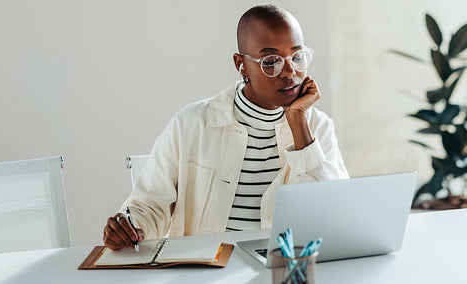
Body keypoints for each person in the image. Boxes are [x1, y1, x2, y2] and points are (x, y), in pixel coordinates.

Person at [103, 4, 349, 250]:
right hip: (207, 271)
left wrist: (298, 122)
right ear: (241, 64)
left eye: (297, 57)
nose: (289, 72)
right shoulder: (190, 123)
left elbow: (332, 215)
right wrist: (129, 227)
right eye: (271, 61)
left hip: (283, 269)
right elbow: (149, 205)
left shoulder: (317, 127)